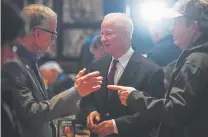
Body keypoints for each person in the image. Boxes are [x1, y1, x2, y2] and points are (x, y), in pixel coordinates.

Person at [107, 0, 208, 137]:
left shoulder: (195, 61)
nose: (171, 29)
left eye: (176, 23)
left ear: (193, 27)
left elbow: (176, 113)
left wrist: (134, 97)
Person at [1, 4, 103, 137]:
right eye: (53, 33)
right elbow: (32, 113)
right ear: (38, 33)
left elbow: (44, 109)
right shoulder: (14, 65)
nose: (54, 39)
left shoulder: (30, 59)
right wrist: (76, 91)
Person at [79, 13, 166, 137]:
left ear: (125, 35)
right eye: (102, 33)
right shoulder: (96, 65)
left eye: (108, 33)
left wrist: (116, 125)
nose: (103, 39)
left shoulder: (151, 71)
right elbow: (87, 100)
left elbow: (154, 115)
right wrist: (91, 111)